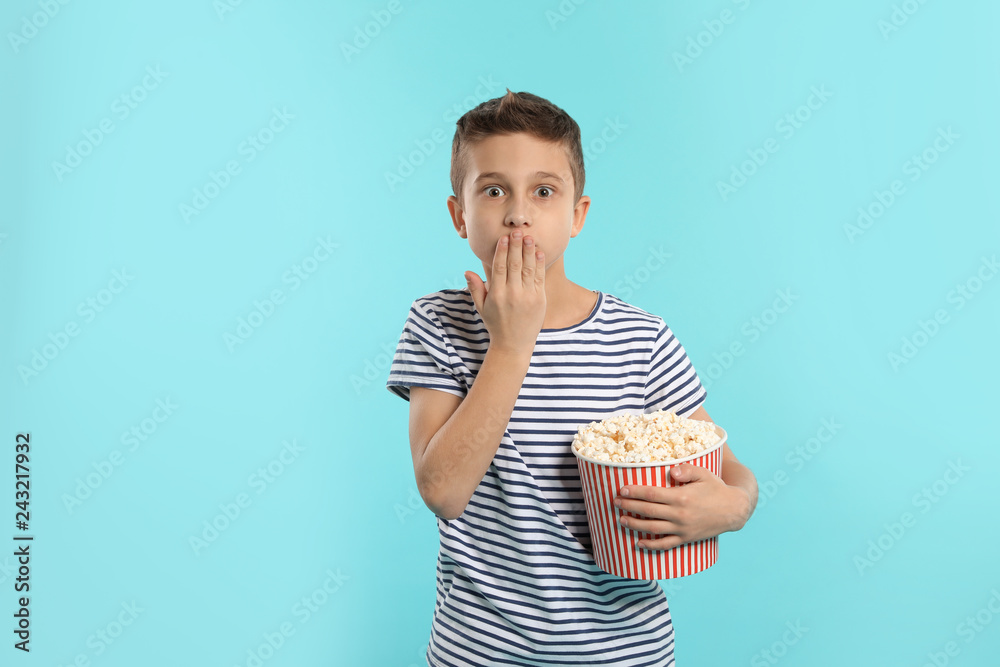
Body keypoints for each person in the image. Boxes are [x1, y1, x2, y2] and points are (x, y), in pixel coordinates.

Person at [386, 88, 758, 667]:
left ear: (577, 214)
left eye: (543, 190)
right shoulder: (439, 323)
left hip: (626, 651)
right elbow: (443, 491)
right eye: (492, 189)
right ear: (460, 215)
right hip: (480, 653)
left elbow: (728, 468)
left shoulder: (641, 339)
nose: (517, 212)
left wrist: (732, 507)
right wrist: (511, 342)